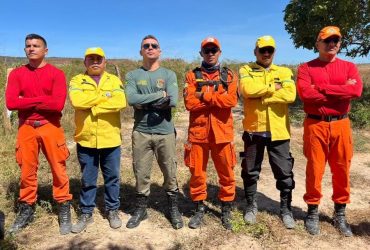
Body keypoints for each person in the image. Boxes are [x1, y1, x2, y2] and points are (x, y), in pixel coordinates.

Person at [297, 26, 363, 236]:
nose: (332, 44)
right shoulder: (306, 68)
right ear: (317, 44)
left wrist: (322, 88)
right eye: (327, 40)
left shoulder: (349, 67)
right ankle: (312, 212)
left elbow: (355, 90)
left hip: (341, 124)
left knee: (342, 168)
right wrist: (340, 90)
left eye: (336, 40)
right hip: (315, 124)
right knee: (315, 169)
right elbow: (306, 95)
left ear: (340, 43)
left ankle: (340, 214)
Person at [5, 34, 72, 235]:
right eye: (28, 46)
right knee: (26, 170)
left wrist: (27, 100)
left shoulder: (57, 74)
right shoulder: (17, 74)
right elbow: (11, 103)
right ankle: (27, 207)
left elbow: (57, 105)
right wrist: (42, 99)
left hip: (50, 125)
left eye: (36, 46)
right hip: (26, 126)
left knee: (58, 168)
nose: (31, 48)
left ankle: (63, 205)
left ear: (46, 50)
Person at [124, 35, 183, 229]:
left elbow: (172, 101)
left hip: (164, 131)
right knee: (141, 172)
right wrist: (159, 95)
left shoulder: (169, 74)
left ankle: (173, 208)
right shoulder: (133, 75)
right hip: (141, 131)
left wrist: (144, 102)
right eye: (145, 46)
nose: (150, 48)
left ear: (159, 50)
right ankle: (140, 210)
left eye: (154, 45)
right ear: (141, 51)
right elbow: (132, 99)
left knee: (170, 171)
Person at [239, 35, 296, 229]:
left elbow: (290, 94)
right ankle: (250, 206)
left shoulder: (285, 71)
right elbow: (247, 90)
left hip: (279, 132)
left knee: (284, 172)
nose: (266, 53)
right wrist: (274, 87)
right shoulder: (246, 70)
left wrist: (264, 98)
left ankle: (286, 209)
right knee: (250, 171)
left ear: (274, 52)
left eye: (269, 50)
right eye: (262, 50)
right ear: (255, 52)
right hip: (254, 131)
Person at [69, 47, 126, 233]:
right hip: (86, 139)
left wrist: (93, 106)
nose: (95, 61)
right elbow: (77, 101)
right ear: (85, 62)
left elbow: (120, 102)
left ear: (104, 62)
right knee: (88, 179)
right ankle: (86, 212)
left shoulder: (114, 80)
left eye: (98, 59)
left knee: (112, 178)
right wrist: (104, 98)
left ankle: (112, 210)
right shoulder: (77, 80)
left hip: (110, 138)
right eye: (91, 58)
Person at [183, 37, 238, 230]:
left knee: (227, 174)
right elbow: (190, 104)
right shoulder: (192, 76)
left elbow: (231, 101)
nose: (210, 53)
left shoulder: (229, 75)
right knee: (197, 174)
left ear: (219, 52)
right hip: (198, 134)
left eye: (214, 50)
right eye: (207, 50)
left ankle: (226, 209)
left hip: (222, 133)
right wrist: (217, 97)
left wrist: (203, 95)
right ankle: (199, 209)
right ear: (201, 54)